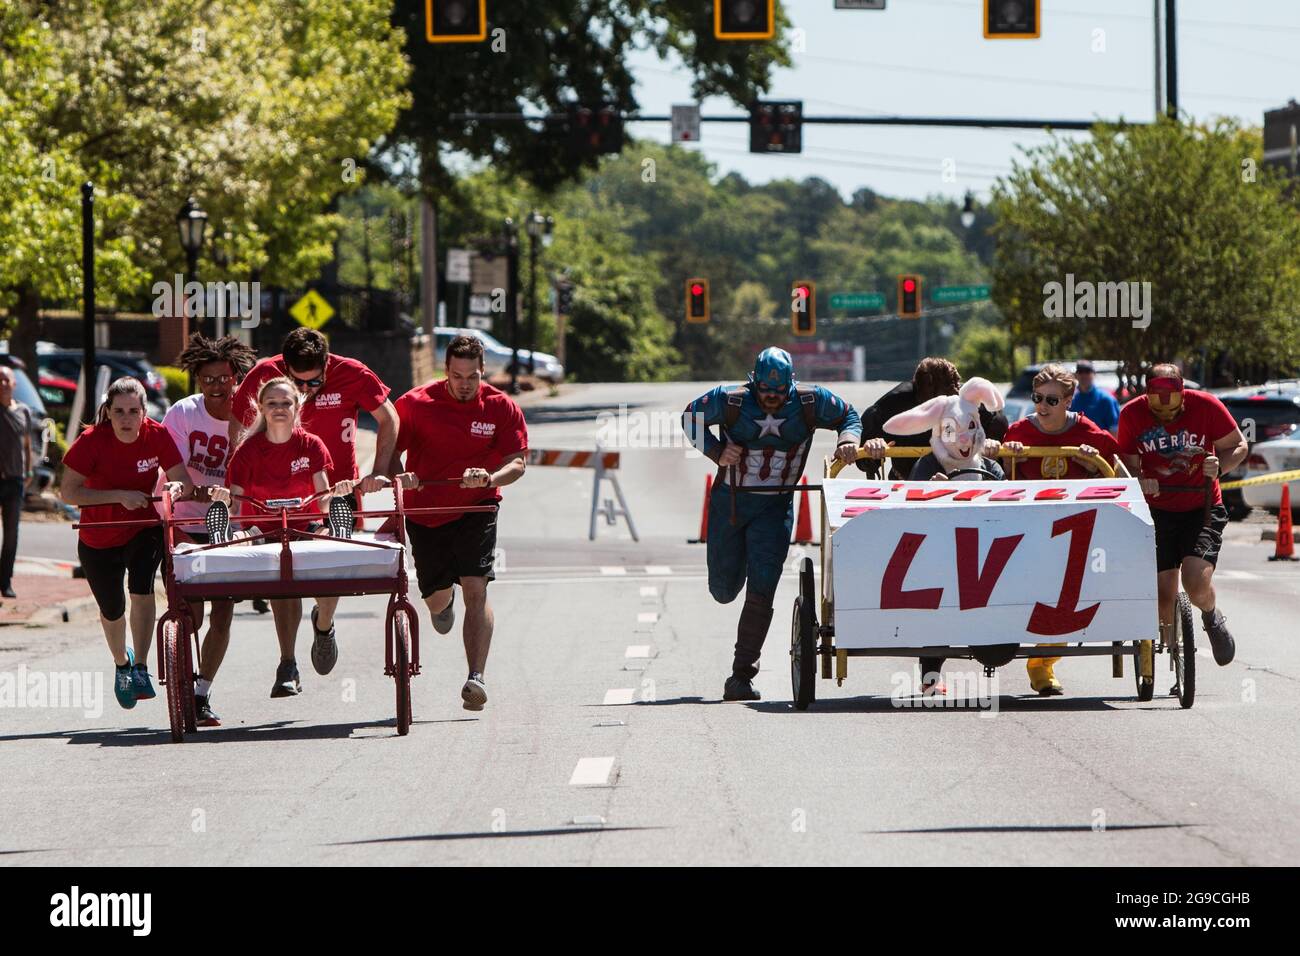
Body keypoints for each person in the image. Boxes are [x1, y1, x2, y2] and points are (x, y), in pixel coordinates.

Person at [682, 347, 861, 702]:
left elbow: (850, 416)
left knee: (762, 587)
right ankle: (734, 572)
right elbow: (690, 417)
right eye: (765, 391)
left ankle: (741, 676)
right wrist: (716, 451)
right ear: (754, 383)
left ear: (790, 387)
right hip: (730, 506)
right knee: (723, 590)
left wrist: (847, 439)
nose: (771, 399)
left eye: (779, 393)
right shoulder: (729, 400)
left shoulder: (811, 401)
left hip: (775, 509)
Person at [229, 328, 397, 677]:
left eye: (314, 382)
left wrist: (378, 471)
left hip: (335, 492)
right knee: (284, 577)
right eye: (298, 383)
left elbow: (388, 418)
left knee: (326, 569)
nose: (306, 390)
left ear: (326, 363)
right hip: (275, 493)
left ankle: (324, 624)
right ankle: (287, 662)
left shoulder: (352, 372)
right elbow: (237, 426)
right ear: (285, 369)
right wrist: (243, 477)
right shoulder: (265, 374)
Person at [390, 335, 527, 712]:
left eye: (471, 376)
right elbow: (388, 455)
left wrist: (489, 479)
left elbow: (518, 463)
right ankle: (441, 602)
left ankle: (476, 678)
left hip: (477, 507)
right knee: (436, 599)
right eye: (456, 375)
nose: (463, 383)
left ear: (483, 371)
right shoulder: (416, 403)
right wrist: (403, 476)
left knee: (476, 588)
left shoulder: (501, 407)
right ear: (444, 371)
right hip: (426, 513)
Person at [212, 377, 355, 697]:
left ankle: (324, 625)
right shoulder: (248, 451)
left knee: (331, 547)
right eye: (272, 403)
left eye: (286, 403)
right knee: (275, 567)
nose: (279, 409)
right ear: (260, 408)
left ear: (298, 407)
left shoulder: (312, 445)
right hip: (264, 530)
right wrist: (226, 509)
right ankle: (287, 664)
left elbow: (323, 499)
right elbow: (236, 505)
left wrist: (338, 496)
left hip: (306, 527)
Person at [61, 377, 192, 710]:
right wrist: (118, 496)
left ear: (144, 412)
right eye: (118, 411)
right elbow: (69, 493)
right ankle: (122, 663)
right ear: (108, 411)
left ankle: (141, 667)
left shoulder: (157, 435)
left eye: (134, 411)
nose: (126, 418)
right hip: (97, 537)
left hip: (143, 527)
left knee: (142, 588)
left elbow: (183, 480)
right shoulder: (91, 441)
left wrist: (175, 489)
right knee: (112, 609)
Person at [1003, 363, 1121, 696]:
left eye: (1052, 400)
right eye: (1038, 398)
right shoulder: (1018, 432)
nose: (1042, 406)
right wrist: (1006, 457)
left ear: (1069, 400)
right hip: (1026, 529)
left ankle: (1042, 663)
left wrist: (1094, 463)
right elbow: (996, 479)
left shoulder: (1088, 433)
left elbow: (1121, 470)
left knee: (1067, 598)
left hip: (1075, 531)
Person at [1118, 364, 1246, 672]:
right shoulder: (1131, 414)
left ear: (1183, 396)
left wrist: (1220, 466)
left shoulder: (1207, 406)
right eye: (1158, 410)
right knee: (1163, 596)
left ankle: (1211, 615)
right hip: (1155, 510)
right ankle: (1175, 655)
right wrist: (1140, 479)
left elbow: (1239, 446)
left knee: (1194, 581)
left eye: (1172, 409)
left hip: (1201, 507)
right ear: (1147, 396)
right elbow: (1124, 463)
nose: (1165, 416)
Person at [161, 333, 258, 726]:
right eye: (208, 379)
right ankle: (179, 672)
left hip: (228, 525)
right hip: (185, 521)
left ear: (237, 377)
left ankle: (201, 693)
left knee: (223, 612)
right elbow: (177, 475)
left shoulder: (252, 415)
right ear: (198, 381)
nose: (218, 386)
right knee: (192, 614)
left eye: (224, 378)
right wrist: (204, 492)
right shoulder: (182, 414)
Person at [857, 357, 1007, 479]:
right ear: (918, 393)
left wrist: (991, 443)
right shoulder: (896, 403)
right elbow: (864, 458)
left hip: (966, 481)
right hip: (906, 484)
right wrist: (873, 446)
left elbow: (998, 421)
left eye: (950, 399)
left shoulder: (967, 403)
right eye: (934, 400)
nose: (942, 408)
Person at [0, 366, 34, 599]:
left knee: (11, 534)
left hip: (16, 481)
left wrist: (28, 469)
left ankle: (6, 582)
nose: (2, 384)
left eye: (6, 380)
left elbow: (26, 444)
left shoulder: (23, 411)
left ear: (14, 384)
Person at [1070, 360, 1121, 435]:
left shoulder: (1106, 399)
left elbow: (1115, 430)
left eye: (1087, 371)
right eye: (1080, 371)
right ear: (1075, 375)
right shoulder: (1071, 400)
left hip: (1101, 445)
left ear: (1094, 374)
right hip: (1077, 445)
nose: (1084, 375)